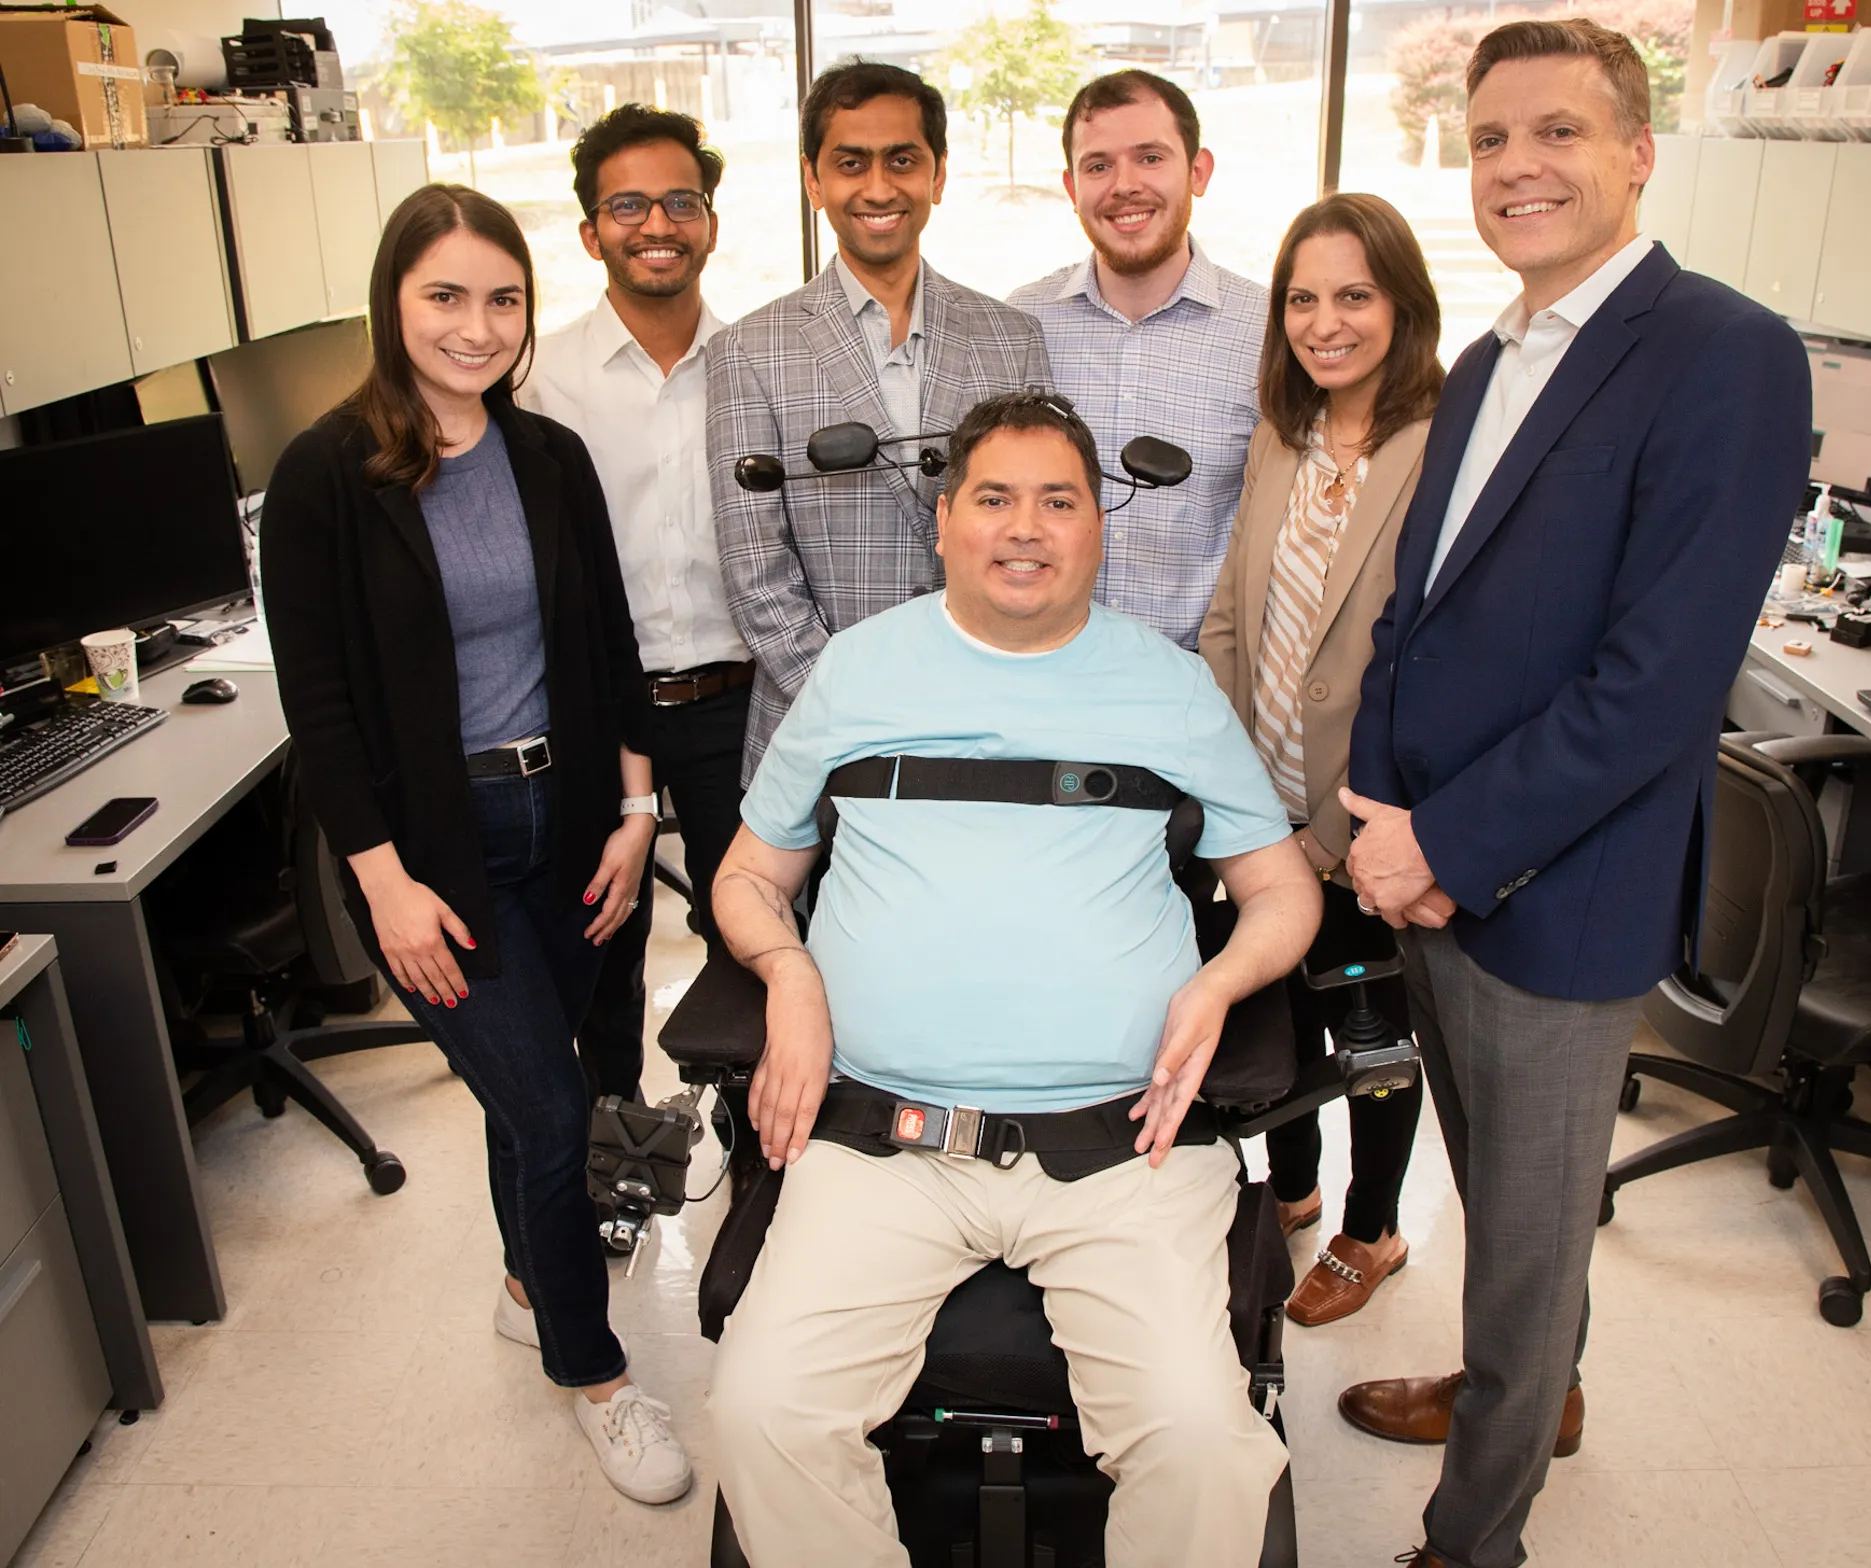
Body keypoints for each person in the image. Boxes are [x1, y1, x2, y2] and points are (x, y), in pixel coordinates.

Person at [1335, 21, 1810, 1568]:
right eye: (1488, 142)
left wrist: (1451, 846)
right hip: (1433, 867)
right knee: (1494, 1202)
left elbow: (1657, 683)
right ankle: (1537, 1396)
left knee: (1528, 1248)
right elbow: (1421, 609)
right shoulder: (1489, 357)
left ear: (1636, 152)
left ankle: (1475, 1538)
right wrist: (1374, 812)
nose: (1518, 167)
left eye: (1557, 133)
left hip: (1558, 890)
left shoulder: (1726, 352)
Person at [705, 393, 1322, 1567]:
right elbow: (746, 874)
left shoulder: (1167, 687)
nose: (1023, 527)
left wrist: (1217, 980)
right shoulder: (855, 670)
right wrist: (786, 971)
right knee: (759, 1408)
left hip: (1121, 1143)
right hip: (884, 1135)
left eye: (1058, 500)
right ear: (943, 523)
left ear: (1099, 528)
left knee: (1199, 1433)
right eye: (993, 498)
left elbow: (1282, 890)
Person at [262, 184, 694, 1505]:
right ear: (393, 301)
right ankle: (595, 1374)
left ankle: (525, 1281)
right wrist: (382, 885)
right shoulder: (327, 475)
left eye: (500, 299)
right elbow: (320, 707)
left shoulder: (547, 457)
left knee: (533, 1097)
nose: (475, 325)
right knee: (557, 1110)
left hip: (566, 820)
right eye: (444, 296)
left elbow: (607, 648)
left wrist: (634, 815)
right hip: (434, 854)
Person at [1199, 193, 1442, 1328]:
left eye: (1352, 295)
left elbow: (1432, 654)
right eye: (1302, 297)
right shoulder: (1278, 435)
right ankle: (1290, 1189)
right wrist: (1233, 796)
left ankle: (1371, 1223)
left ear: (1400, 302)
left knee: (1373, 1033)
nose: (1323, 321)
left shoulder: (1438, 445)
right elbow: (1229, 621)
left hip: (1374, 807)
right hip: (1264, 797)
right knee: (1286, 1011)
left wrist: (1337, 829)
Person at [709, 60, 1052, 777]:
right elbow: (755, 571)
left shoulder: (1012, 338)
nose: (877, 187)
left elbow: (1036, 537)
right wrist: (860, 711)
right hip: (817, 733)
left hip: (987, 725)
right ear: (813, 181)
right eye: (850, 163)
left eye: (902, 160)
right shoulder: (747, 349)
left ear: (938, 174)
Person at [521, 103, 750, 1108]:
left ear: (707, 221)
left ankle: (758, 1161)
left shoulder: (758, 366)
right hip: (590, 709)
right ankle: (613, 1144)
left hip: (730, 701)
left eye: (678, 201)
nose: (654, 223)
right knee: (598, 943)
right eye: (626, 204)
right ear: (589, 232)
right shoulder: (535, 381)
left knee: (748, 931)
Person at [1010, 69, 1264, 648]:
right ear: (1072, 188)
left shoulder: (1270, 331)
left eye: (1150, 158)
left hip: (1200, 684)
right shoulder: (1022, 324)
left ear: (1198, 172)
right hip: (1044, 674)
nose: (1124, 185)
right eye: (1099, 166)